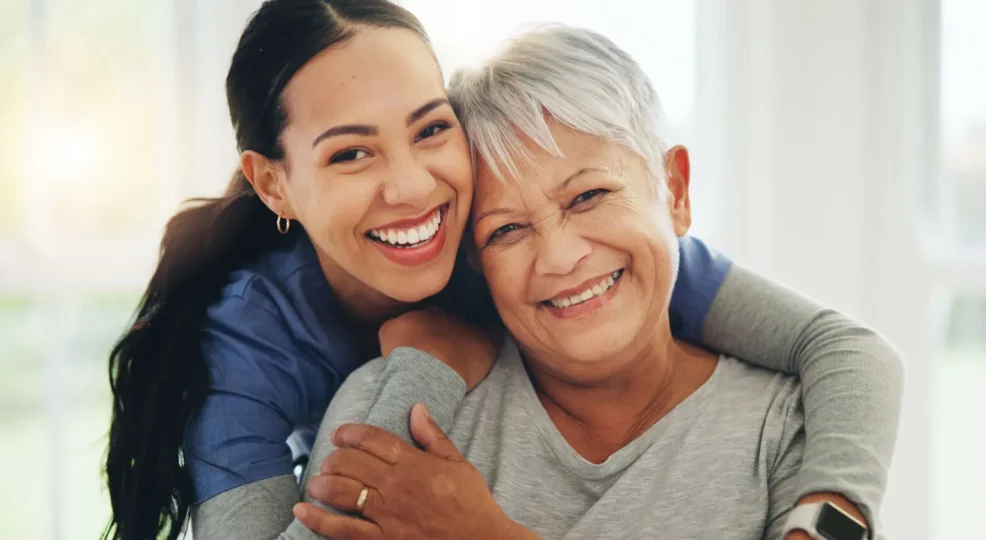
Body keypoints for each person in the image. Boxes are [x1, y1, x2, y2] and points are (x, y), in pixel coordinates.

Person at [102, 2, 902, 540]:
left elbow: (847, 349)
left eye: (429, 130)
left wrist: (827, 515)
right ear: (274, 181)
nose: (413, 186)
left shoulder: (561, 259)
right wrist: (425, 367)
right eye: (351, 152)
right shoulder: (248, 347)